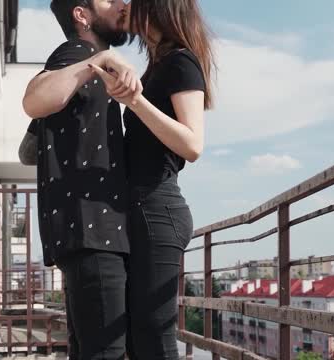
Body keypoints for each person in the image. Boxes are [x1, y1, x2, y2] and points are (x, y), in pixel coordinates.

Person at [89, 0, 215, 358]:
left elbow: (193, 144)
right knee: (137, 337)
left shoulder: (181, 61)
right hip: (142, 211)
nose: (123, 5)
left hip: (158, 210)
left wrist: (136, 101)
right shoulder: (157, 65)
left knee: (153, 339)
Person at [21, 1, 143, 358]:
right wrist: (98, 62)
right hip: (95, 233)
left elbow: (26, 152)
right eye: (107, 0)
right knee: (106, 352)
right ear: (82, 14)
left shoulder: (87, 70)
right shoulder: (77, 53)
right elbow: (34, 100)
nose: (121, 4)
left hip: (88, 234)